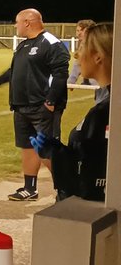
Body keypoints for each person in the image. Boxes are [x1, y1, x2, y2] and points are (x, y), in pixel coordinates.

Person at [0, 8, 70, 201]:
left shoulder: (52, 44)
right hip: (21, 106)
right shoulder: (22, 46)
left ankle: (66, 189)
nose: (15, 26)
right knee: (27, 147)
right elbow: (13, 72)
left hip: (42, 107)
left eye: (17, 22)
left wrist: (50, 102)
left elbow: (60, 75)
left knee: (46, 151)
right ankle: (30, 188)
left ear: (28, 22)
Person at [33, 23, 111, 202]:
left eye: (83, 48)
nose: (77, 55)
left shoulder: (105, 112)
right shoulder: (105, 107)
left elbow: (92, 178)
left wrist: (55, 154)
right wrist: (57, 151)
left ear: (98, 57)